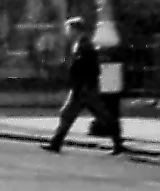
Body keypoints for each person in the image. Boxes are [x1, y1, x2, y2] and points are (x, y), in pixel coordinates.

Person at [43, 16, 126, 155]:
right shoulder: (80, 44)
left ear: (75, 29)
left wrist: (82, 82)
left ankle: (117, 142)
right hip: (82, 87)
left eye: (69, 29)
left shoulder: (85, 45)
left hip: (84, 88)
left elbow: (89, 67)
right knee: (70, 114)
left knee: (99, 115)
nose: (67, 32)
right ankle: (56, 143)